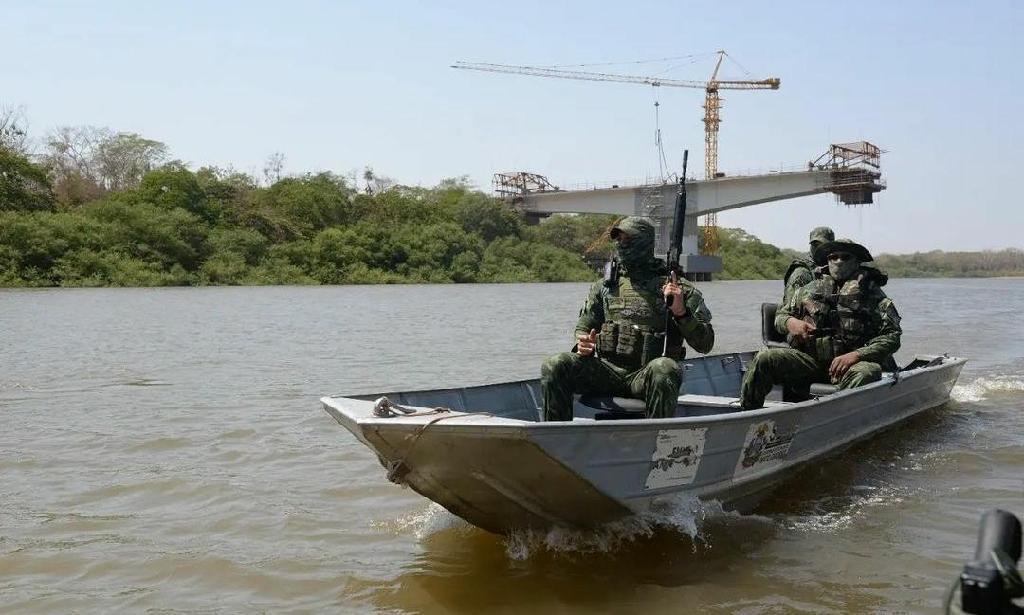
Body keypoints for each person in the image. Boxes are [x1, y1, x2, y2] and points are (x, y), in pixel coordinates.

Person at [540, 216, 714, 421]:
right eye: (618, 240)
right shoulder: (605, 286)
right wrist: (583, 343)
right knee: (555, 364)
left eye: (627, 240)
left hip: (646, 376)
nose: (621, 245)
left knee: (664, 368)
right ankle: (558, 439)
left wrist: (681, 312)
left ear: (645, 243)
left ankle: (657, 440)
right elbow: (584, 327)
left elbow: (706, 344)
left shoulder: (679, 289)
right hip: (607, 373)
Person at [739, 238, 901, 410]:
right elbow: (781, 316)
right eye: (833, 257)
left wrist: (856, 355)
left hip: (852, 366)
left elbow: (892, 336)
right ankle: (747, 414)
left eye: (845, 257)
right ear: (827, 261)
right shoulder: (807, 290)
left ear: (856, 262)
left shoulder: (874, 296)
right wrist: (791, 322)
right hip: (812, 363)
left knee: (869, 371)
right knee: (765, 358)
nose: (838, 261)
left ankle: (835, 418)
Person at [782, 226, 834, 304]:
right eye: (815, 245)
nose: (818, 249)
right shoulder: (802, 272)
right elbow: (790, 307)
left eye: (823, 245)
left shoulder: (836, 268)